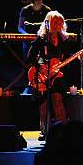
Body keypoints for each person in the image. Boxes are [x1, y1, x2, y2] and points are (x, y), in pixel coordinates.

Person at [27, 11, 70, 140]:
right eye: (55, 22)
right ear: (49, 23)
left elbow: (66, 57)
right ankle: (45, 131)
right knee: (44, 103)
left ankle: (63, 131)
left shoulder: (63, 39)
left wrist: (79, 56)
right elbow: (30, 57)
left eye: (60, 23)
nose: (58, 25)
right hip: (43, 75)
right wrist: (41, 66)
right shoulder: (41, 39)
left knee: (58, 100)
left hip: (57, 75)